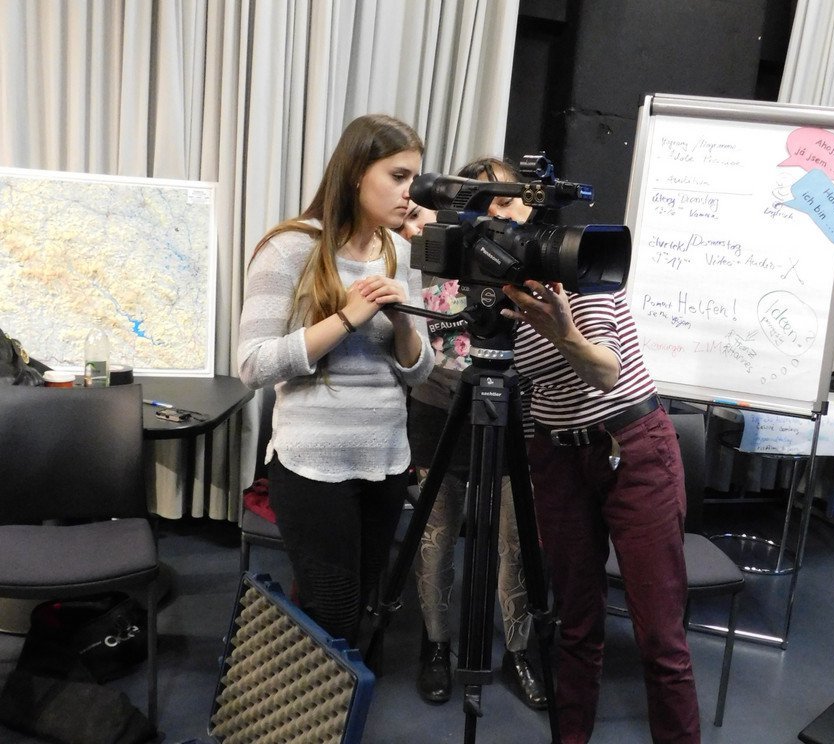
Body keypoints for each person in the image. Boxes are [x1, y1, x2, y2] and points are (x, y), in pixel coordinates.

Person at [500, 217, 702, 739]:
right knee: (577, 624)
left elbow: (605, 372)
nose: (503, 223)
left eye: (509, 205)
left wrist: (562, 330)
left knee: (660, 635)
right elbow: (519, 390)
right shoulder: (498, 294)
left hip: (632, 447)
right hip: (556, 455)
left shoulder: (582, 265)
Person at [237, 114, 434, 647]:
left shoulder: (400, 252)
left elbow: (419, 369)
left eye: (414, 179)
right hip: (312, 465)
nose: (409, 193)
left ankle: (335, 709)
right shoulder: (290, 247)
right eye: (397, 177)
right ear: (354, 174)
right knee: (334, 609)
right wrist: (347, 317)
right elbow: (253, 365)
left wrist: (402, 324)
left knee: (364, 602)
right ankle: (307, 715)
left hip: (386, 459)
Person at [401, 157, 547, 710]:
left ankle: (517, 651)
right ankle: (435, 646)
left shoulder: (539, 257)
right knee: (436, 536)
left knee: (515, 540)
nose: (502, 216)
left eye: (509, 201)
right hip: (441, 407)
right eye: (487, 205)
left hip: (516, 410)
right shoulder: (443, 244)